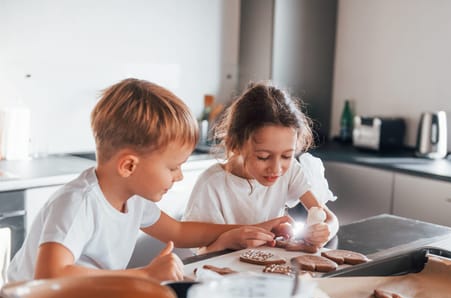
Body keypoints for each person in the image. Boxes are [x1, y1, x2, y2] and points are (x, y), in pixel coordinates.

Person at [7, 78, 290, 283]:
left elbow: (178, 231)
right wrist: (145, 274)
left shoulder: (133, 199)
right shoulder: (79, 203)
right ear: (129, 165)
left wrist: (250, 229)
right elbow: (51, 275)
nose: (178, 177)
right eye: (172, 167)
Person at [183, 81, 338, 254]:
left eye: (287, 156)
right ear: (235, 144)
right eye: (263, 157)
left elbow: (330, 219)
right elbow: (201, 254)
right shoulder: (212, 185)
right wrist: (228, 239)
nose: (276, 169)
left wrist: (324, 231)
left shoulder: (291, 171)